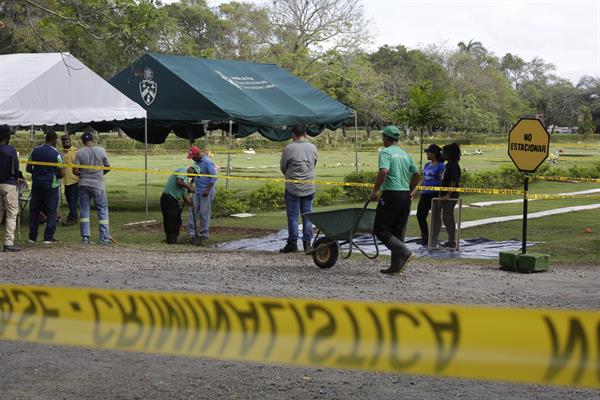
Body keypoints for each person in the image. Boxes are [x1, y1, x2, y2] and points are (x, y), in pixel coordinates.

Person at [370, 125, 420, 274]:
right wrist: (410, 190)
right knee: (397, 232)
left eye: (383, 137)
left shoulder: (385, 152)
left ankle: (404, 252)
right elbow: (417, 174)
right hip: (405, 196)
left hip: (391, 194)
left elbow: (384, 171)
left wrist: (375, 190)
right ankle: (395, 266)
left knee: (380, 229)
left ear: (386, 138)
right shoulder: (405, 154)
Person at [279, 124, 318, 253]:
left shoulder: (289, 148)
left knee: (293, 217)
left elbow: (283, 167)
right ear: (305, 134)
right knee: (308, 216)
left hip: (293, 187)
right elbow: (314, 164)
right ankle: (307, 244)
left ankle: (292, 243)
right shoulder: (313, 147)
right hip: (309, 186)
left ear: (293, 135)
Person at [26, 130, 65, 244]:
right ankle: (48, 237)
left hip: (37, 184)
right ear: (55, 140)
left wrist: (38, 174)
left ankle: (32, 237)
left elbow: (28, 168)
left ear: (45, 138)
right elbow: (62, 173)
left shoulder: (35, 151)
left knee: (34, 210)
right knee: (51, 211)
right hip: (51, 186)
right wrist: (53, 175)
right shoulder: (56, 154)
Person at [73, 132, 111, 245]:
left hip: (83, 184)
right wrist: (100, 174)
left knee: (84, 210)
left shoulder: (79, 152)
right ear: (93, 140)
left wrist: (84, 175)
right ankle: (104, 238)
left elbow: (75, 170)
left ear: (82, 141)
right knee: (102, 210)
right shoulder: (101, 150)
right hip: (98, 184)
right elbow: (108, 167)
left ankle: (85, 237)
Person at [412, 144, 445, 246]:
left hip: (434, 194)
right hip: (425, 194)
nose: (427, 154)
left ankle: (434, 238)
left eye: (428, 152)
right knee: (420, 215)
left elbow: (442, 181)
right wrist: (414, 190)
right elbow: (423, 179)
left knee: (435, 217)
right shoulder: (427, 165)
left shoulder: (441, 166)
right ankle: (425, 236)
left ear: (434, 154)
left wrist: (441, 194)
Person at [431, 142, 462, 249]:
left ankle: (452, 240)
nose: (442, 154)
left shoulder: (453, 166)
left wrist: (448, 195)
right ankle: (449, 240)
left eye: (443, 152)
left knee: (448, 217)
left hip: (451, 196)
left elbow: (453, 182)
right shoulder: (448, 165)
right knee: (445, 217)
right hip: (444, 194)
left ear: (449, 154)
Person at [187, 146, 217, 245]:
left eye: (193, 156)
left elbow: (214, 177)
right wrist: (191, 183)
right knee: (192, 211)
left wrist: (207, 190)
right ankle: (191, 232)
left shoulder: (208, 162)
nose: (192, 158)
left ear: (198, 154)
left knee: (204, 213)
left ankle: (204, 234)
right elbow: (196, 174)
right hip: (197, 191)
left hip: (206, 192)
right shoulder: (197, 162)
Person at [0, 126, 23, 252]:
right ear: (6, 137)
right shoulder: (11, 150)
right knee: (11, 213)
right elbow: (15, 168)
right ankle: (8, 243)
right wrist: (17, 177)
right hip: (9, 184)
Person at [161, 165, 196, 244]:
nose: (193, 175)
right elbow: (179, 181)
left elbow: (185, 195)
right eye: (194, 173)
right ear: (191, 169)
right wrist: (189, 187)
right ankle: (170, 240)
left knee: (177, 220)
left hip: (173, 200)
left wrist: (191, 204)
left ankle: (174, 239)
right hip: (168, 198)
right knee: (170, 219)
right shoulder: (182, 170)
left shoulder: (185, 180)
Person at [60, 134, 79, 226]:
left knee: (72, 200)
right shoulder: (61, 152)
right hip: (65, 180)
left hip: (74, 180)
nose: (65, 143)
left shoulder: (74, 151)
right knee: (69, 199)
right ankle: (73, 216)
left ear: (70, 142)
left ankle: (72, 218)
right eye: (64, 142)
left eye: (67, 142)